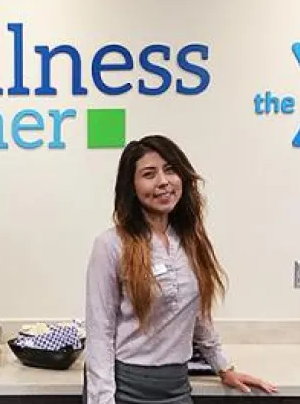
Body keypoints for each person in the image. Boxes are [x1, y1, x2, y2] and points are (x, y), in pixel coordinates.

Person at [84, 135, 277, 404]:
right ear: (132, 186)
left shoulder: (190, 241)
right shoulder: (111, 245)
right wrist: (102, 400)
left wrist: (223, 367)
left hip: (176, 386)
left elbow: (198, 315)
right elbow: (99, 332)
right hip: (126, 388)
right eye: (149, 174)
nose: (163, 181)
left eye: (171, 170)